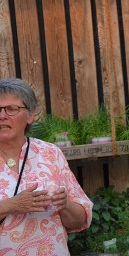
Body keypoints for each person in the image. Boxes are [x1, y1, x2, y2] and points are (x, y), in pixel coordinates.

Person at [0, 78, 92, 255]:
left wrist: (64, 204)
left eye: (11, 109)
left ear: (30, 116)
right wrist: (11, 205)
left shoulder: (50, 153)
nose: (2, 115)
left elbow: (79, 220)